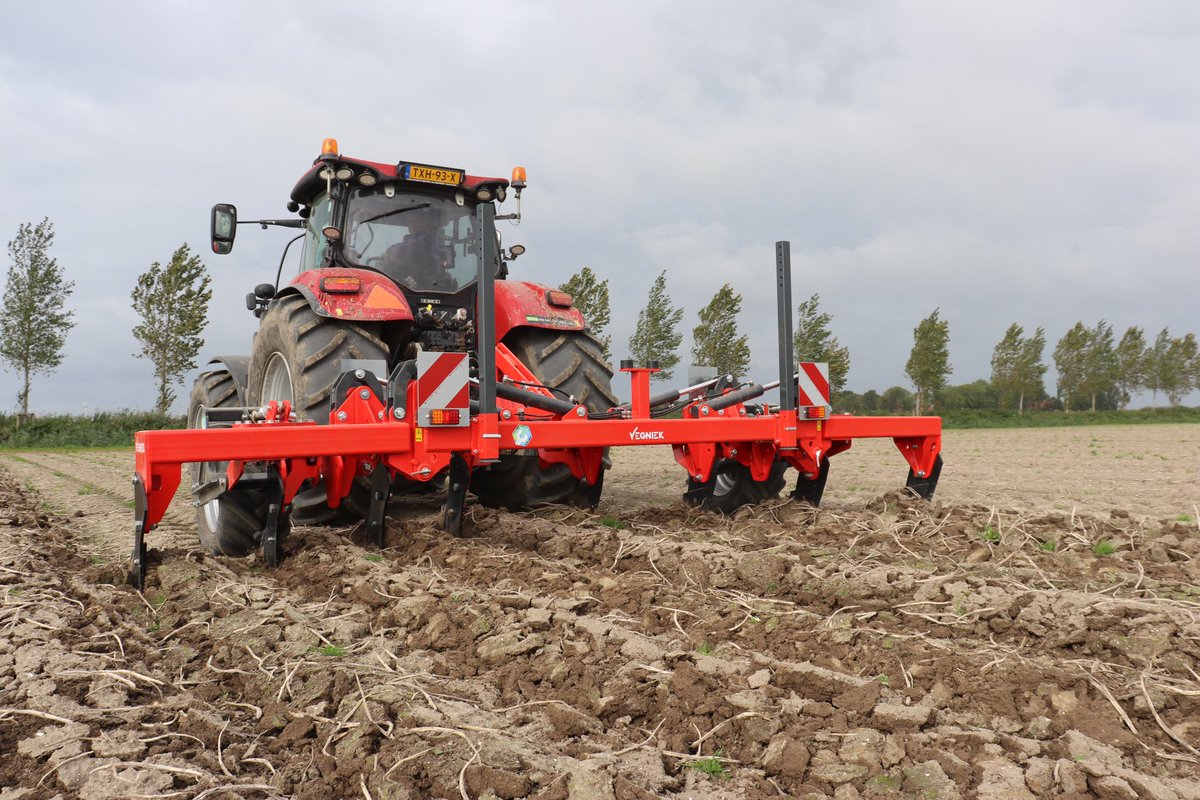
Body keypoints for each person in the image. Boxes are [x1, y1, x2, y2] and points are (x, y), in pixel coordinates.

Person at [383, 205, 457, 291]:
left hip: (429, 286)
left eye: (417, 221)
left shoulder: (431, 243)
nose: (412, 225)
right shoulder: (397, 248)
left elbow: (434, 263)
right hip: (405, 288)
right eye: (410, 222)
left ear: (425, 224)